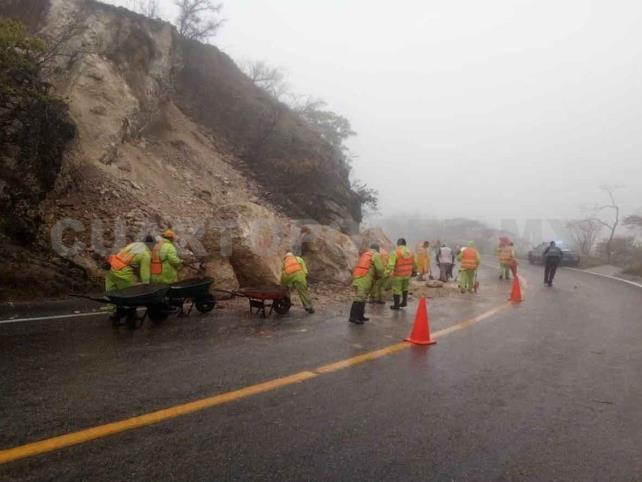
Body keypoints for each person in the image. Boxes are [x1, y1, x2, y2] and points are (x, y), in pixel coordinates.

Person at [350, 244, 385, 324]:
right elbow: (380, 269)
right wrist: (381, 276)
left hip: (357, 277)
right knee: (360, 297)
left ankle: (360, 316)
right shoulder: (375, 255)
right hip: (364, 277)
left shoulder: (365, 254)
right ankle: (354, 318)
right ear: (377, 249)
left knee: (362, 297)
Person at [386, 238, 415, 310]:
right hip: (407, 274)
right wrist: (414, 271)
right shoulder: (411, 252)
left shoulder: (395, 252)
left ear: (398, 243)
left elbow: (391, 264)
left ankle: (396, 305)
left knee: (397, 289)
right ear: (405, 244)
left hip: (398, 274)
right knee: (405, 288)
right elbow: (414, 263)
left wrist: (387, 273)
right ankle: (404, 302)